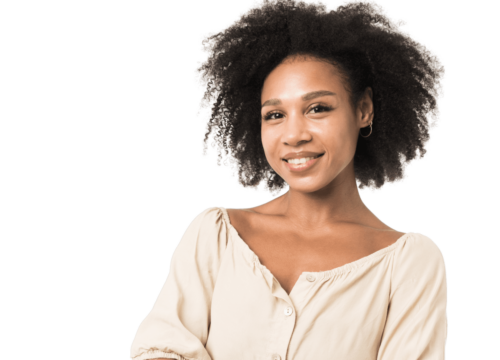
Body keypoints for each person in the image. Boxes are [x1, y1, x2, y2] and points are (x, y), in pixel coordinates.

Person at [130, 0, 448, 359]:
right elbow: (159, 350)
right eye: (275, 114)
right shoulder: (216, 235)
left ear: (363, 109)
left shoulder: (407, 263)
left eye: (318, 108)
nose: (294, 135)